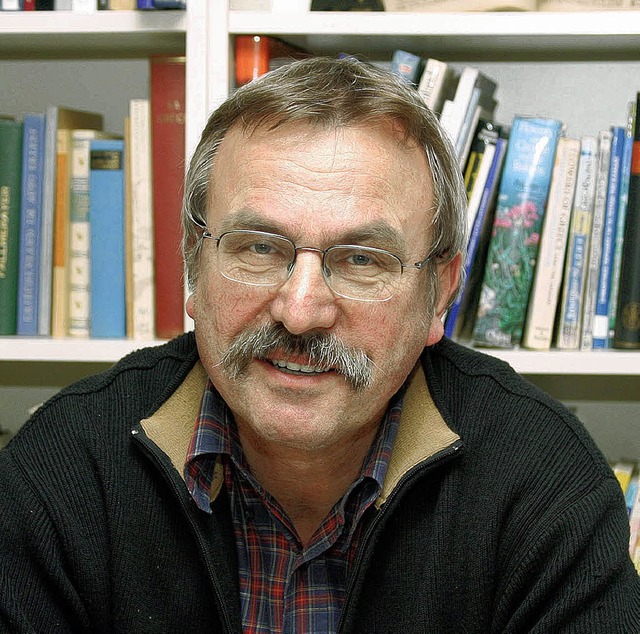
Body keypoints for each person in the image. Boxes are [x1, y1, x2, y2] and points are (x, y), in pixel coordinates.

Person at [0, 56, 638, 633]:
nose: (301, 311)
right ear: (193, 266)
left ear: (439, 294)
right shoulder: (65, 468)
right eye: (258, 248)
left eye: (362, 259)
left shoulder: (544, 482)